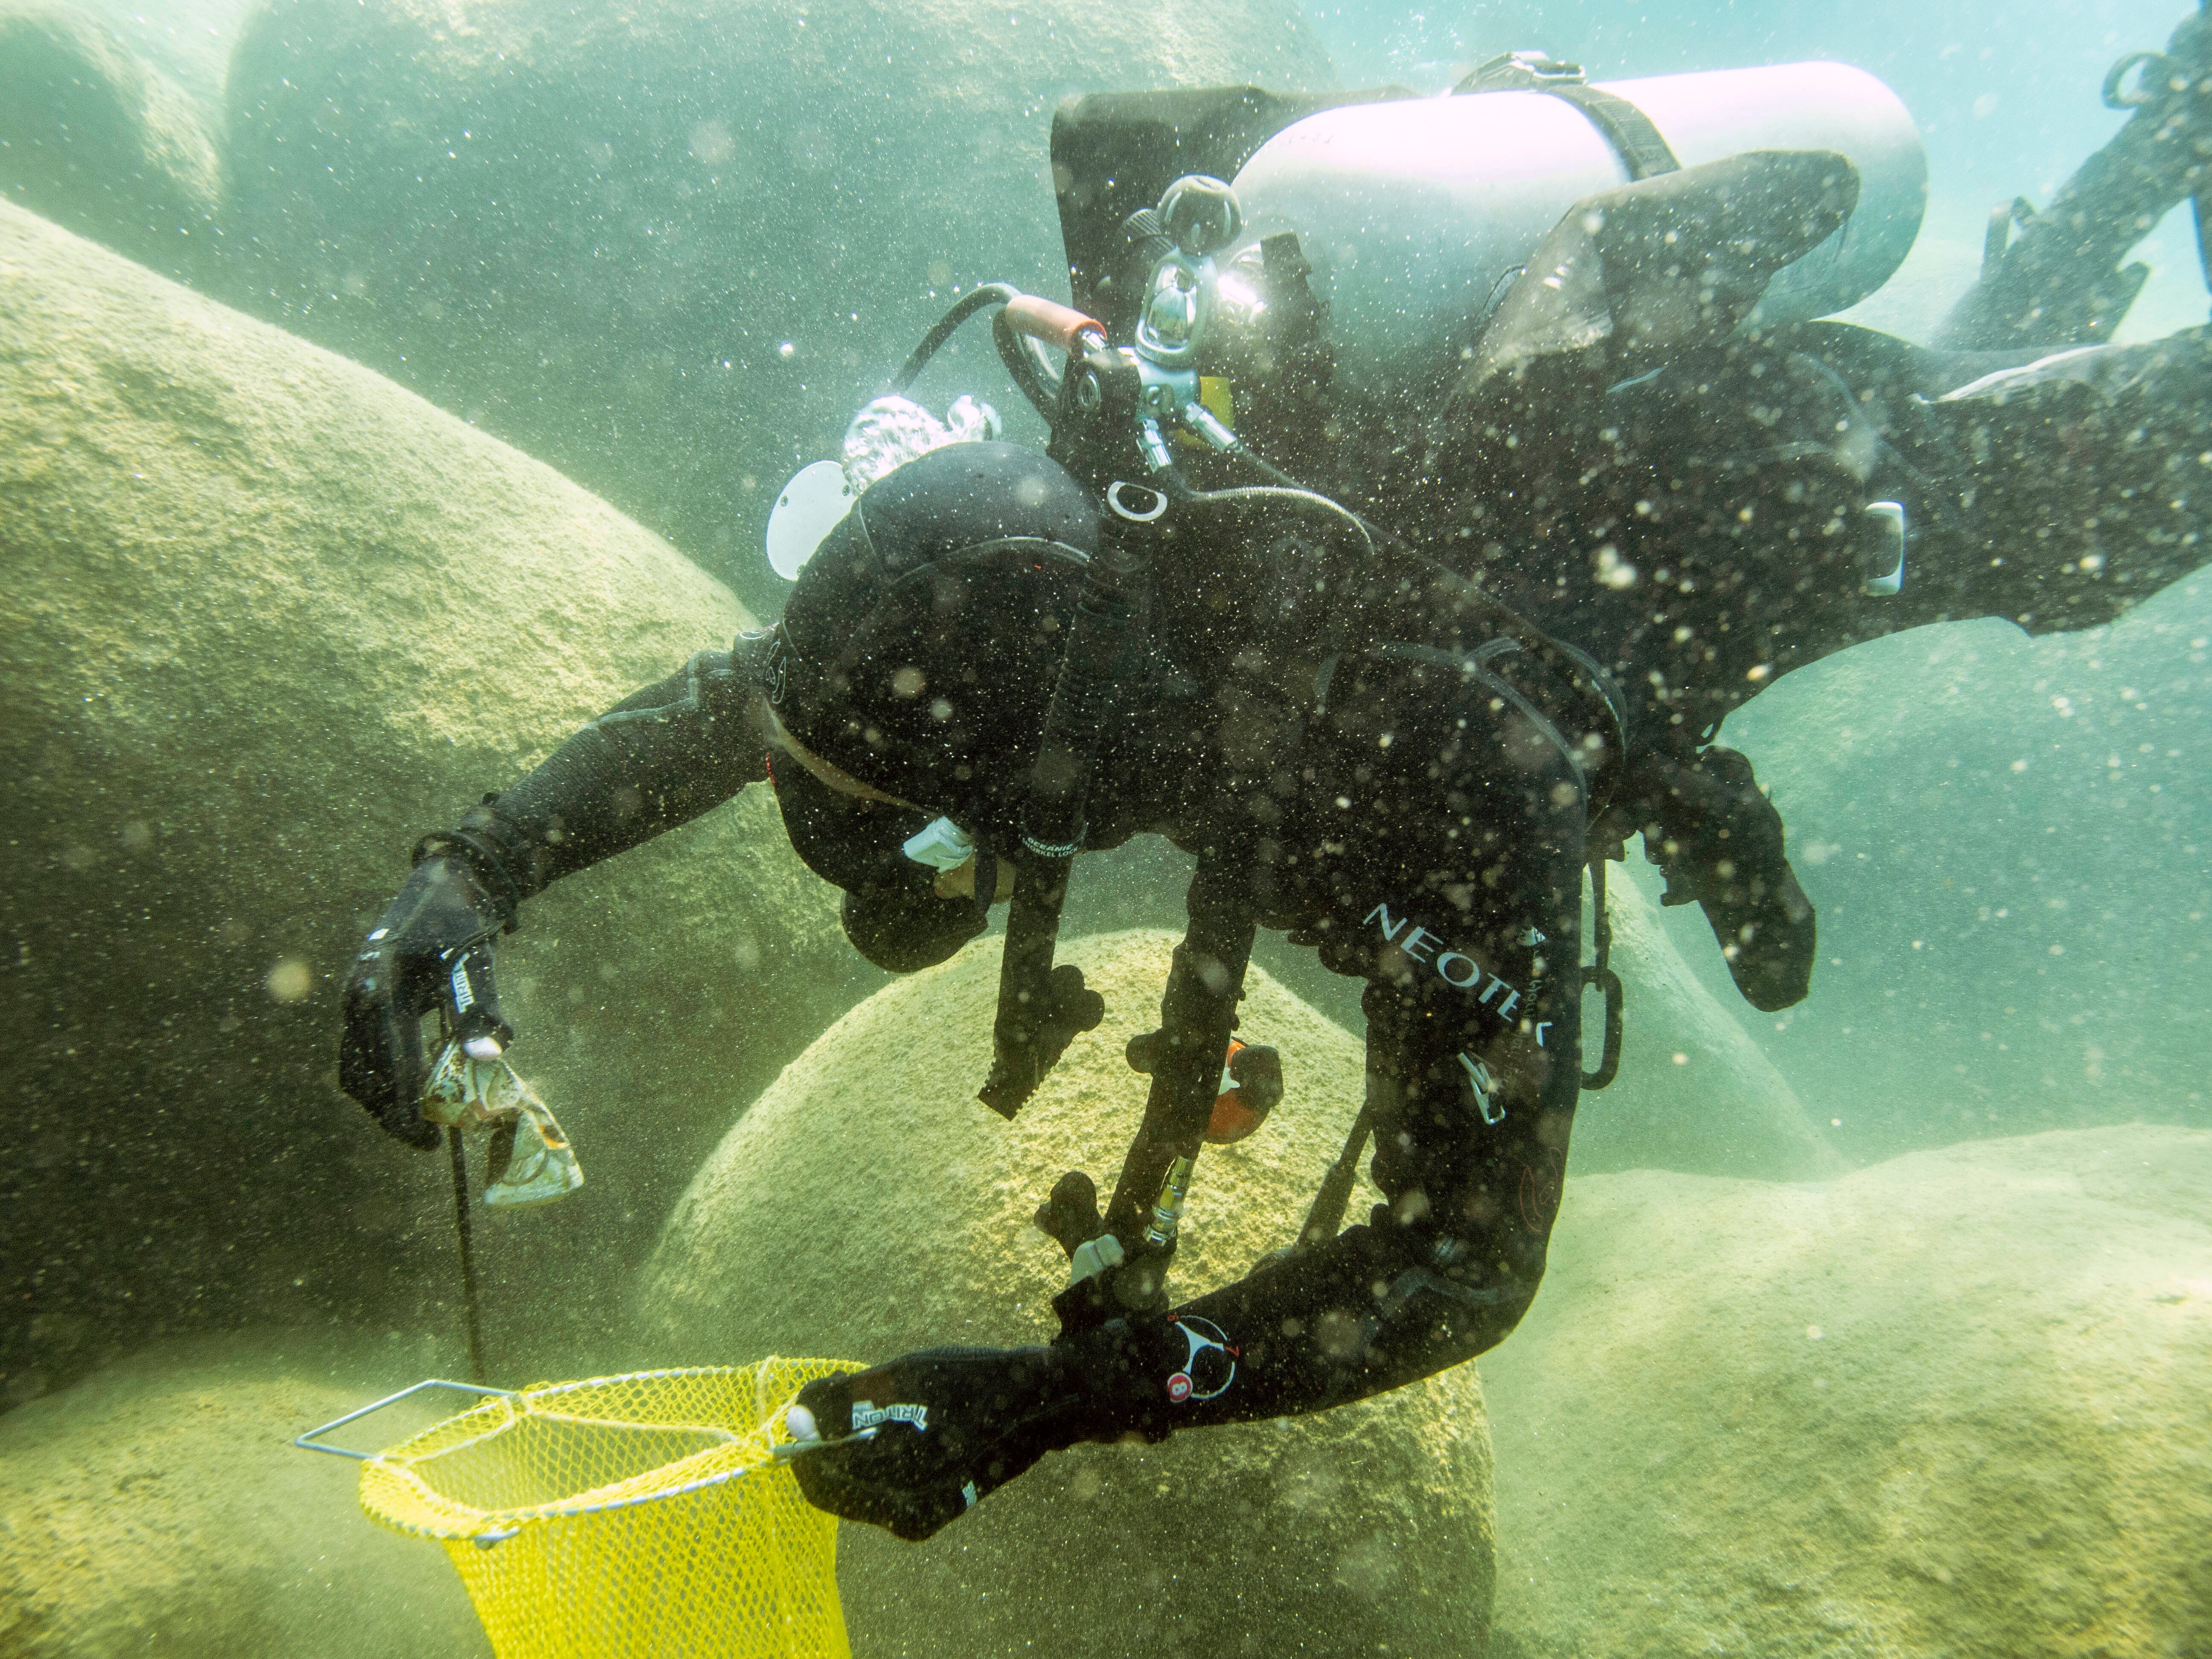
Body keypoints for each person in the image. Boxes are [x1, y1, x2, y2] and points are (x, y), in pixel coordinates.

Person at [340, 130, 2212, 1540]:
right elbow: (743, 703)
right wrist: (470, 871)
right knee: (1985, 372)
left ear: (1049, 780)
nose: (906, 892)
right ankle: (2130, 172)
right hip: (1570, 543)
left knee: (2074, 487)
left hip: (1781, 494)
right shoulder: (1065, 567)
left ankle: (2130, 189)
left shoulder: (1433, 775)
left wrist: (1058, 1407)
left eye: (924, 844)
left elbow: (1460, 1264)